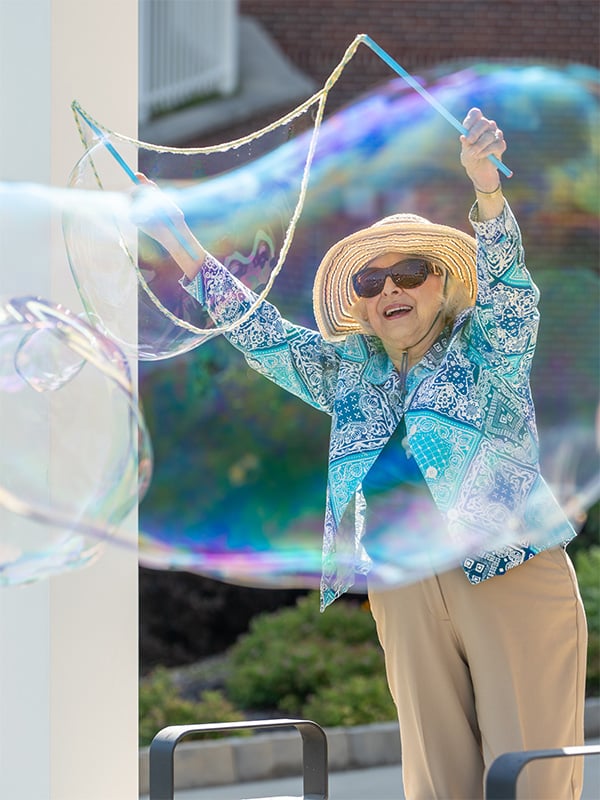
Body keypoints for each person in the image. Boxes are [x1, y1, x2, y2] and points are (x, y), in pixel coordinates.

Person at [137, 108, 588, 799]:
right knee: (438, 783)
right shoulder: (351, 370)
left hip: (509, 572)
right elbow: (262, 336)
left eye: (408, 273)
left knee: (527, 778)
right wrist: (183, 247)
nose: (391, 291)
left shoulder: (486, 345)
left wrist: (486, 194)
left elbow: (511, 296)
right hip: (403, 584)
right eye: (370, 284)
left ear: (442, 282)